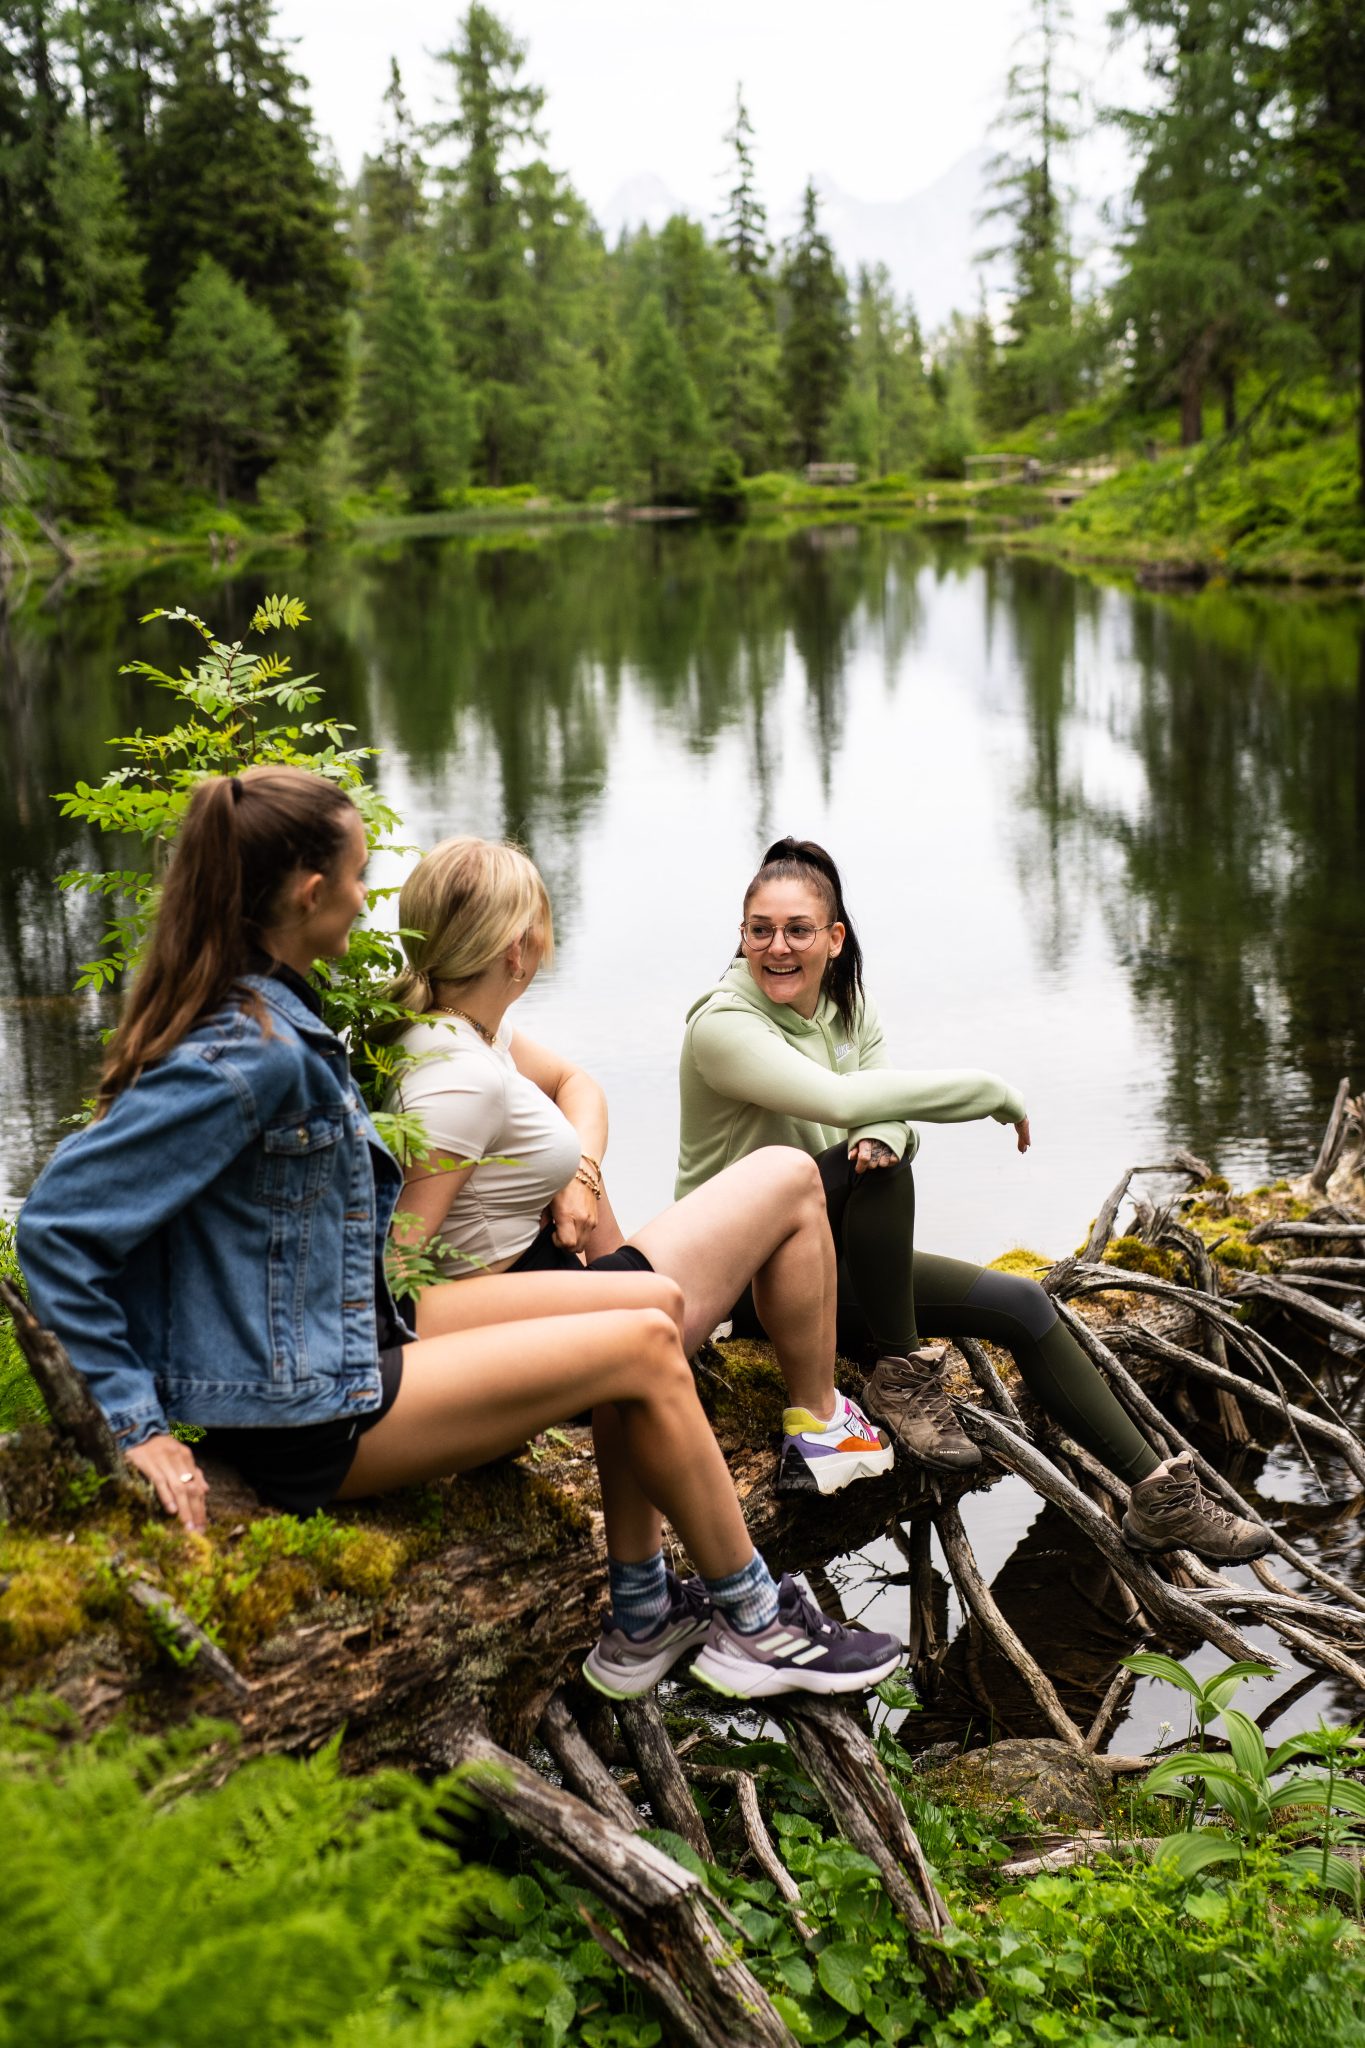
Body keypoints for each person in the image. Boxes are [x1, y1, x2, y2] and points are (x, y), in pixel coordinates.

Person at [15, 773, 900, 1704]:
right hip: (312, 1414)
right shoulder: (249, 1052)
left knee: (646, 1305)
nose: (369, 898)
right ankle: (753, 1622)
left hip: (344, 1346)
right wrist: (138, 1425)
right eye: (357, 876)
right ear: (310, 894)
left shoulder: (278, 1016)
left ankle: (643, 1613)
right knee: (643, 1343)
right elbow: (60, 1226)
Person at [674, 835, 1272, 1564]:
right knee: (881, 1168)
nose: (777, 947)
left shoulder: (847, 1008)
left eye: (797, 930)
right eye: (760, 930)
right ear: (741, 935)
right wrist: (989, 1091)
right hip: (738, 1276)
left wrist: (888, 1131)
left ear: (833, 938)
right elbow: (842, 1100)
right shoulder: (722, 1025)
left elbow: (883, 1117)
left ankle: (1158, 1497)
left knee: (1024, 1303)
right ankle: (900, 1372)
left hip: (823, 1260)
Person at [378, 834, 892, 1501]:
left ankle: (810, 1414)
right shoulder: (459, 1079)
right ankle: (822, 1424)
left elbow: (576, 1084)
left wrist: (579, 1174)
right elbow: (398, 1278)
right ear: (517, 948)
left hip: (578, 1291)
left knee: (783, 1178)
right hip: (555, 1337)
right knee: (790, 1177)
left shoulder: (466, 1029)